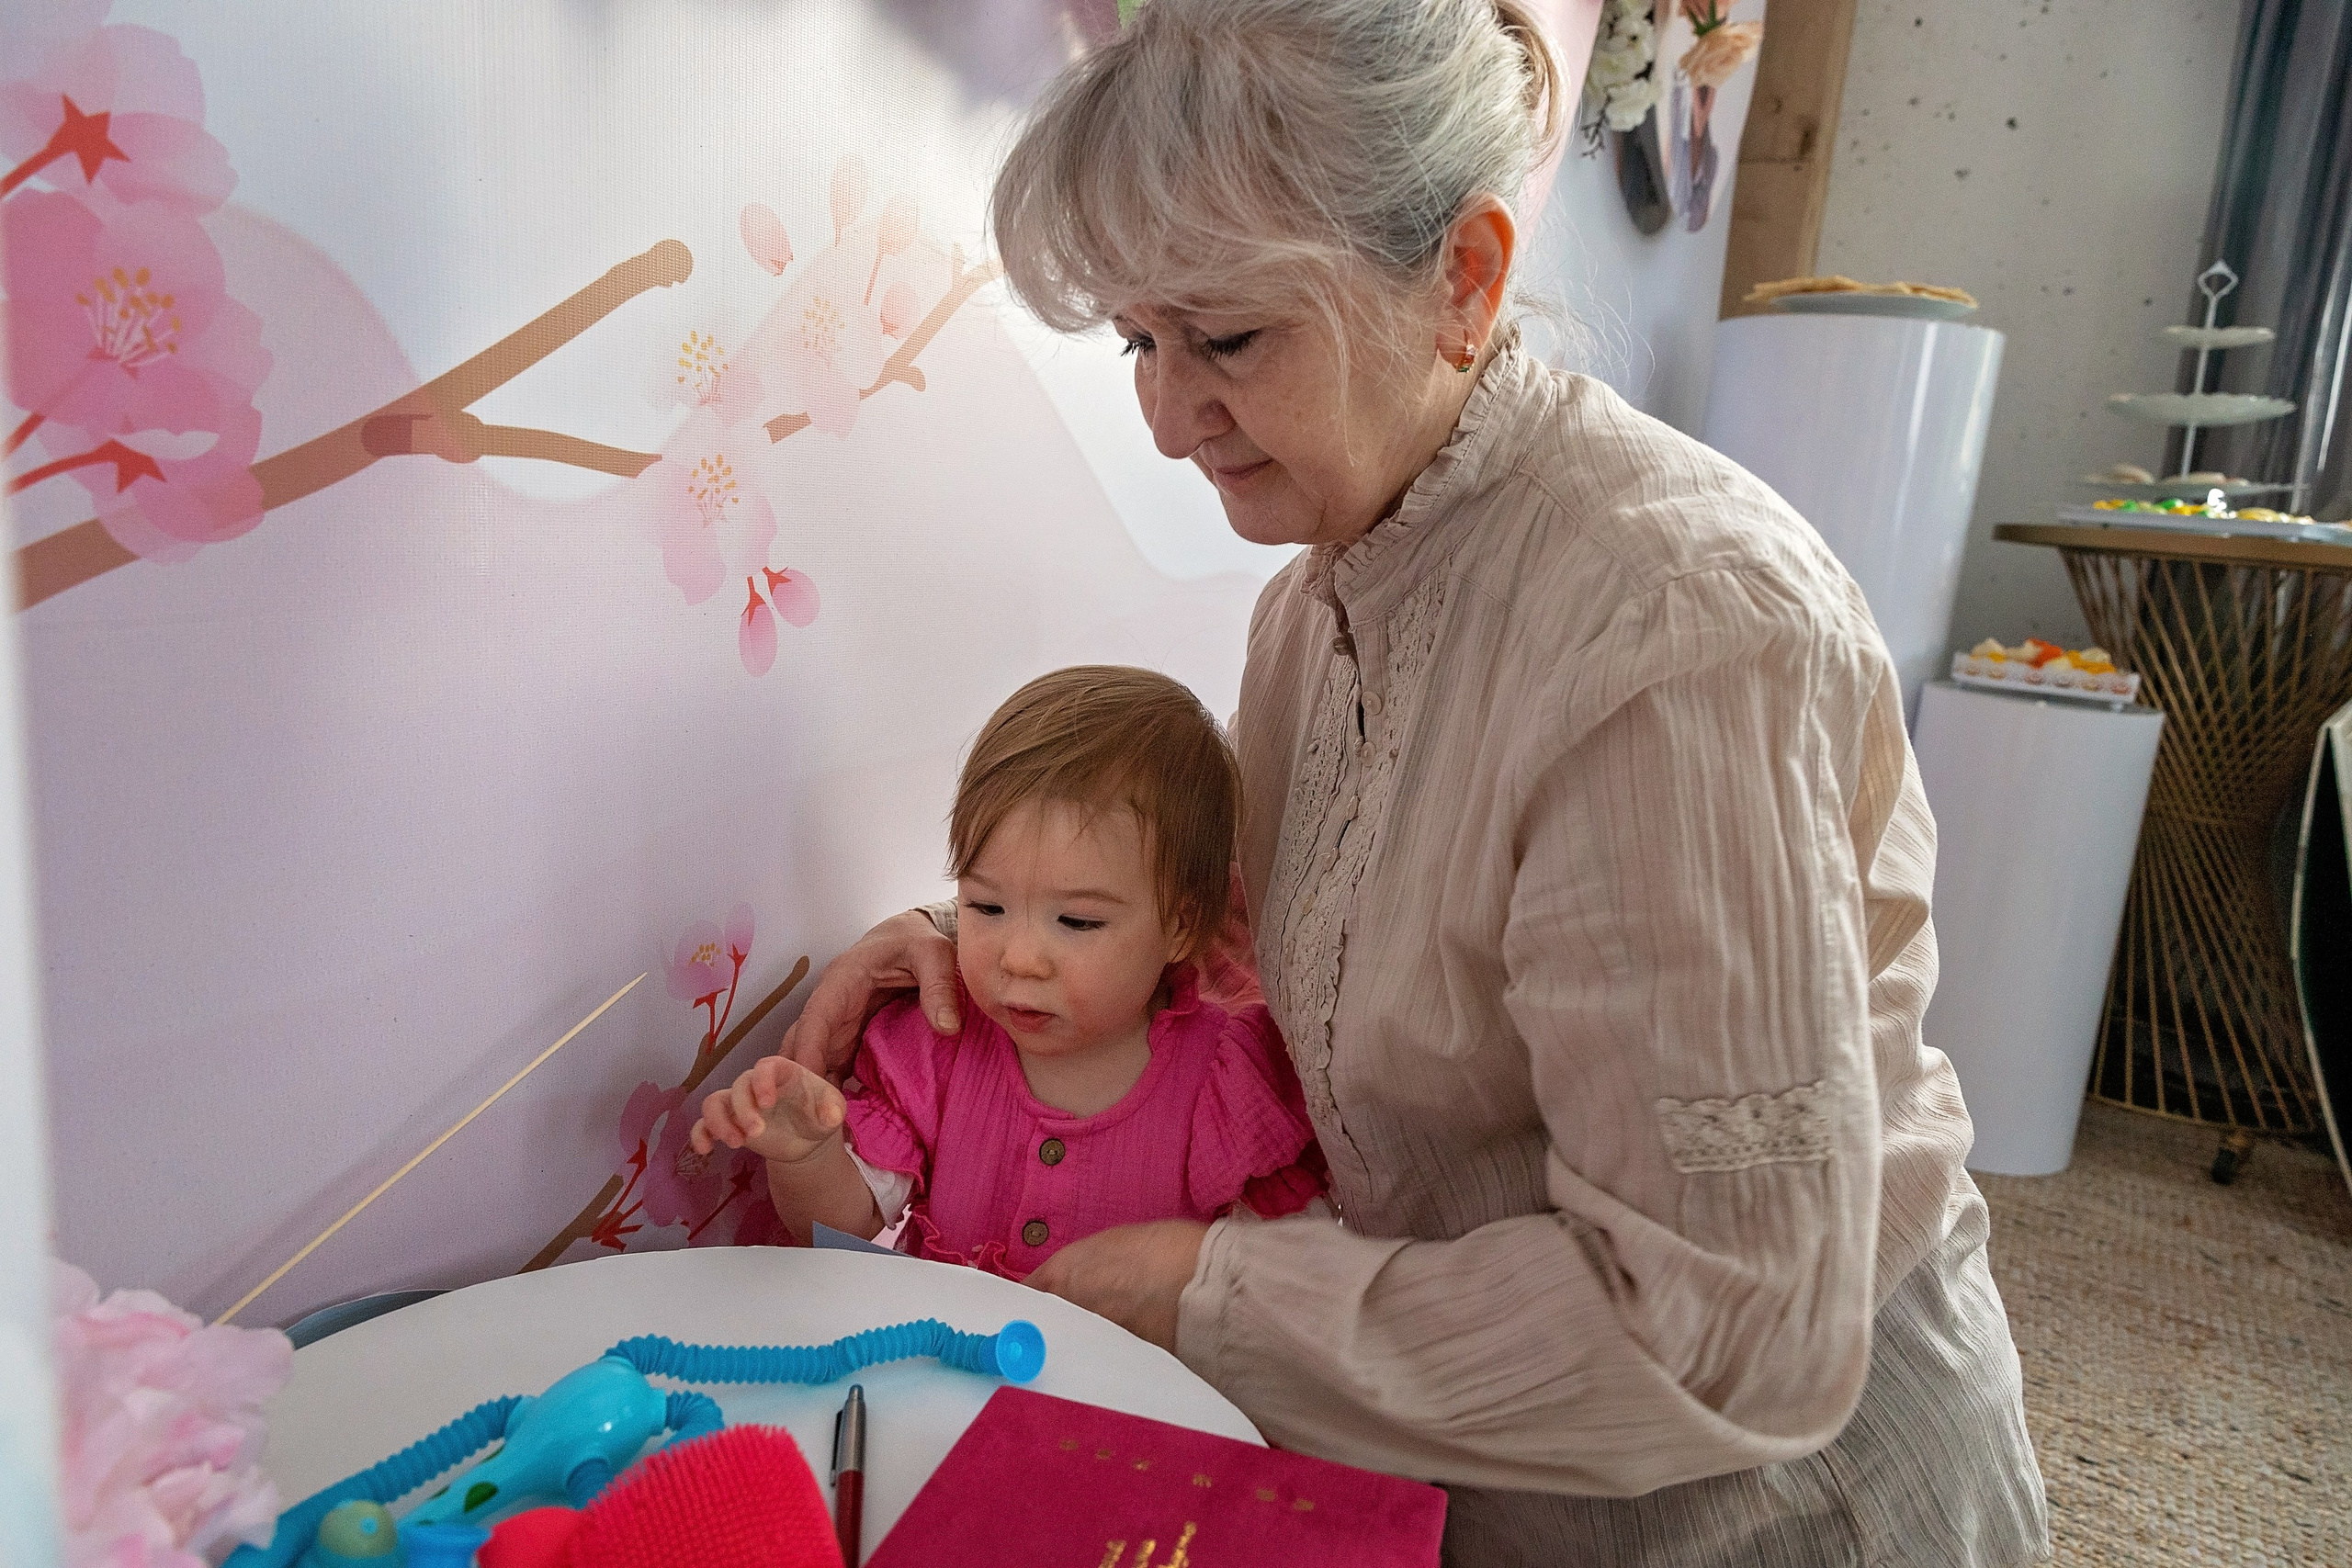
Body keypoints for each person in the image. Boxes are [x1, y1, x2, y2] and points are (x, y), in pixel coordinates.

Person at [776, 1, 2050, 1562]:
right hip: (1471, 1464)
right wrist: (978, 933)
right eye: (1141, 344)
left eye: (1229, 340)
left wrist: (1205, 1293)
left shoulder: (1675, 633)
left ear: (1464, 278)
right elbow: (1304, 923)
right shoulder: (1312, 611)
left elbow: (1736, 1327)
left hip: (1772, 1506)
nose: (1167, 422)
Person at [688, 665, 1324, 1277]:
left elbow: (1278, 1290)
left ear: (1181, 926)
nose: (1017, 958)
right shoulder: (937, 1042)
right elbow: (845, 1227)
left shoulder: (1227, 1082)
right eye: (986, 907)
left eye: (1076, 921)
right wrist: (807, 1155)